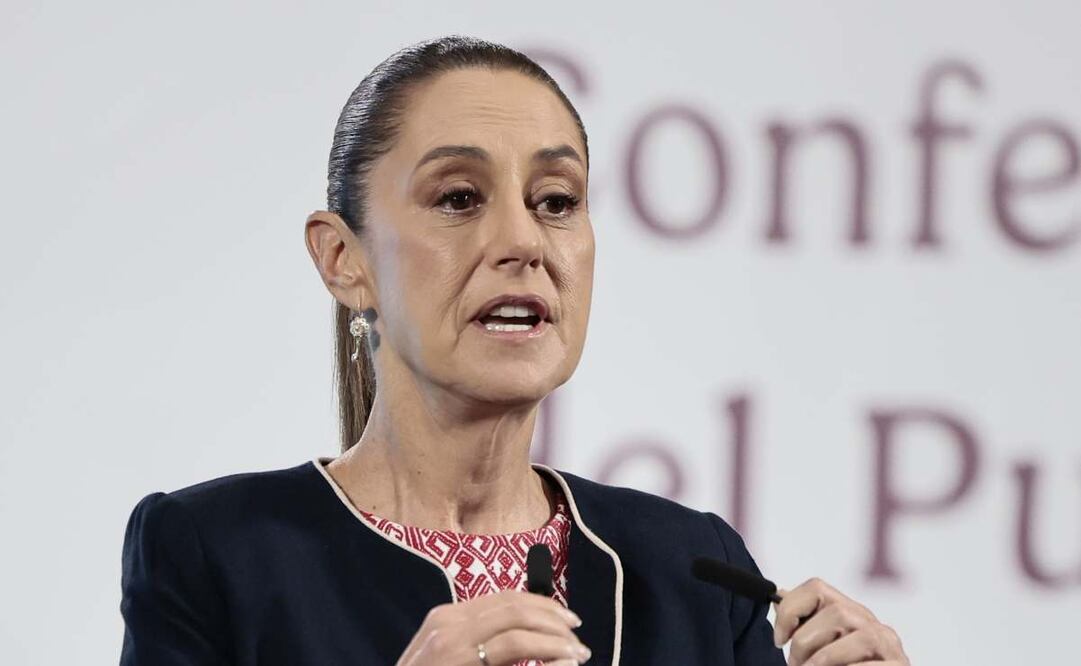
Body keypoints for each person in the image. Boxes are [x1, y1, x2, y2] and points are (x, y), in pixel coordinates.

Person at [119, 36, 910, 666]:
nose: (522, 241)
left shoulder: (693, 570)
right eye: (459, 199)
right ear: (342, 259)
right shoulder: (213, 552)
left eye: (555, 202)